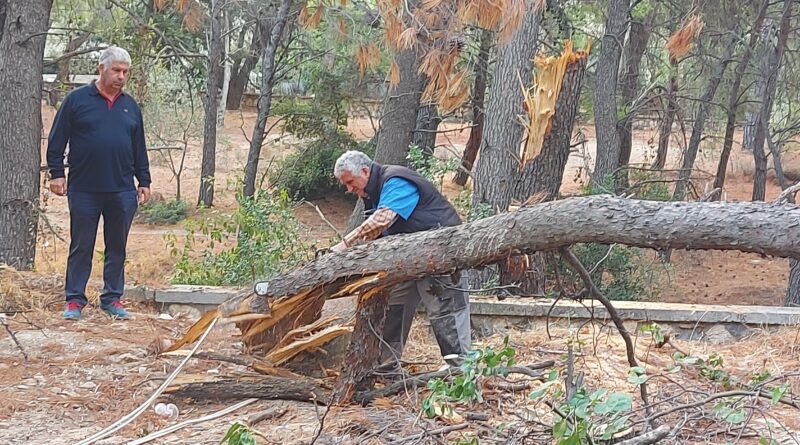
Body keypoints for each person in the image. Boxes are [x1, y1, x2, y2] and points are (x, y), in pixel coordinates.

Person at [331, 150, 471, 368]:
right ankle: (386, 369)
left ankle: (463, 372)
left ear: (365, 171)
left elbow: (382, 220)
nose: (349, 189)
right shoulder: (374, 192)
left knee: (446, 312)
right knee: (394, 308)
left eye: (350, 182)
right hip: (408, 260)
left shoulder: (396, 180)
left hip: (440, 254)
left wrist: (344, 245)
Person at [47, 46, 152, 320]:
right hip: (84, 189)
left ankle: (112, 298)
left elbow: (138, 146)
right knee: (82, 245)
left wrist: (144, 180)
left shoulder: (130, 106)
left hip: (121, 189)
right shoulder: (77, 100)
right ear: (101, 69)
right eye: (116, 70)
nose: (121, 76)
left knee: (117, 245)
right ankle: (74, 300)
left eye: (125, 72)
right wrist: (56, 173)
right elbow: (57, 139)